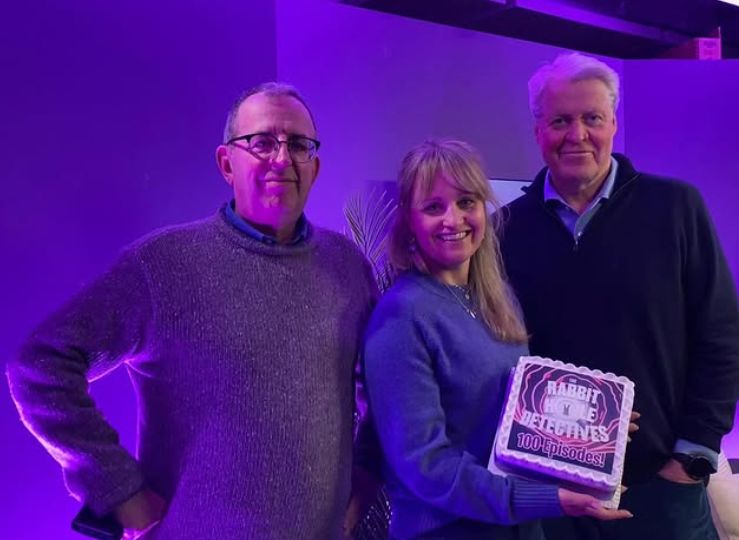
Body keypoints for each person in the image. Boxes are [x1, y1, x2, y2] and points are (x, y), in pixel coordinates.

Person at [6, 82, 378, 539]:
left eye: (298, 144)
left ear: (315, 167)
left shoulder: (347, 268)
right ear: (226, 162)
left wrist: (364, 479)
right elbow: (40, 367)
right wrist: (118, 490)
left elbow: (382, 390)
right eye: (261, 142)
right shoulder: (162, 265)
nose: (282, 158)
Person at [499, 52, 739, 540]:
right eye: (560, 120)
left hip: (658, 488)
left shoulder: (675, 209)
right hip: (552, 494)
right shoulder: (507, 228)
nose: (577, 135)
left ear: (613, 122)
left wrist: (692, 458)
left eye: (592, 118)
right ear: (538, 129)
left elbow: (721, 335)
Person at [362, 139, 633, 540]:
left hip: (517, 528)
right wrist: (547, 497)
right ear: (409, 221)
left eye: (466, 202)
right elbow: (427, 467)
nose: (453, 220)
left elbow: (516, 419)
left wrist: (588, 428)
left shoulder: (497, 297)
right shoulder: (402, 318)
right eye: (433, 207)